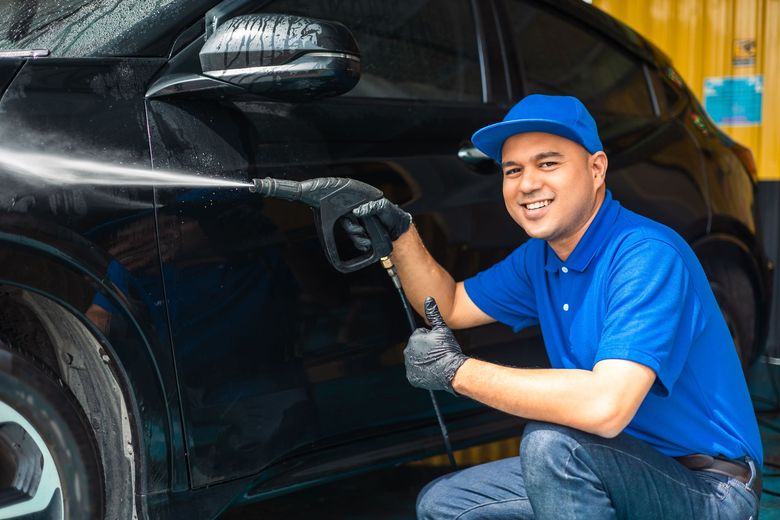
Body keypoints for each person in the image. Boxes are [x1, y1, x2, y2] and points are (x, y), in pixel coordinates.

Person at [342, 94, 763, 519]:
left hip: (710, 490)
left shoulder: (645, 254)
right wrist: (401, 235)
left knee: (552, 445)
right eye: (513, 170)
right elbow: (449, 305)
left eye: (548, 164)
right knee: (446, 504)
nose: (526, 184)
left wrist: (457, 372)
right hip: (618, 467)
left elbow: (606, 407)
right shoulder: (540, 258)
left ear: (596, 169)